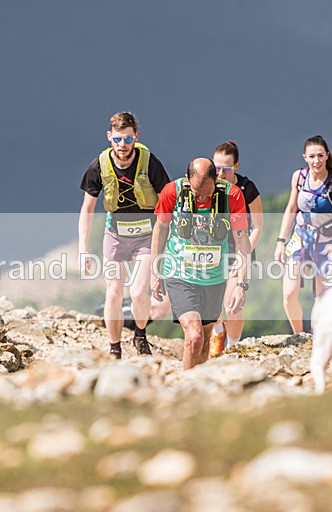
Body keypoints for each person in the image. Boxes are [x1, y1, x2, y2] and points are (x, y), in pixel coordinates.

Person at [78, 112, 171, 358]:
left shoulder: (149, 162)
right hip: (115, 234)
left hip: (146, 236)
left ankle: (140, 335)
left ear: (136, 137)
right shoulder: (99, 166)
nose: (122, 145)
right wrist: (83, 249)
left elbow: (166, 201)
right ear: (109, 137)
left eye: (128, 140)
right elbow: (87, 209)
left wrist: (168, 242)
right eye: (118, 139)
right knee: (114, 293)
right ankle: (114, 347)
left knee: (139, 292)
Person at [150, 158, 251, 370]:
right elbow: (160, 229)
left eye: (208, 193)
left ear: (216, 181)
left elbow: (242, 240)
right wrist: (154, 271)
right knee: (194, 335)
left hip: (214, 276)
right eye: (197, 194)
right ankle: (185, 385)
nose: (203, 198)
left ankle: (198, 387)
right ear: (188, 180)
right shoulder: (172, 192)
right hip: (180, 274)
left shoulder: (231, 195)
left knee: (205, 337)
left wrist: (242, 284)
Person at [274, 135, 332, 334]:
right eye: (312, 156)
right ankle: (298, 334)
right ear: (305, 157)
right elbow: (291, 208)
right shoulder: (299, 178)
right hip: (300, 238)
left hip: (327, 242)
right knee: (289, 293)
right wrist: (281, 241)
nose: (316, 161)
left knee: (320, 296)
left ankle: (318, 335)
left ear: (327, 156)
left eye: (320, 155)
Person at [208, 140, 263, 355]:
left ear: (236, 167)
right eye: (217, 167)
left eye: (226, 168)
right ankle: (218, 330)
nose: (220, 173)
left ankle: (233, 347)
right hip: (212, 249)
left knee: (232, 303)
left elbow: (257, 227)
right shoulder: (208, 183)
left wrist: (244, 255)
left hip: (240, 248)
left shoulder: (247, 189)